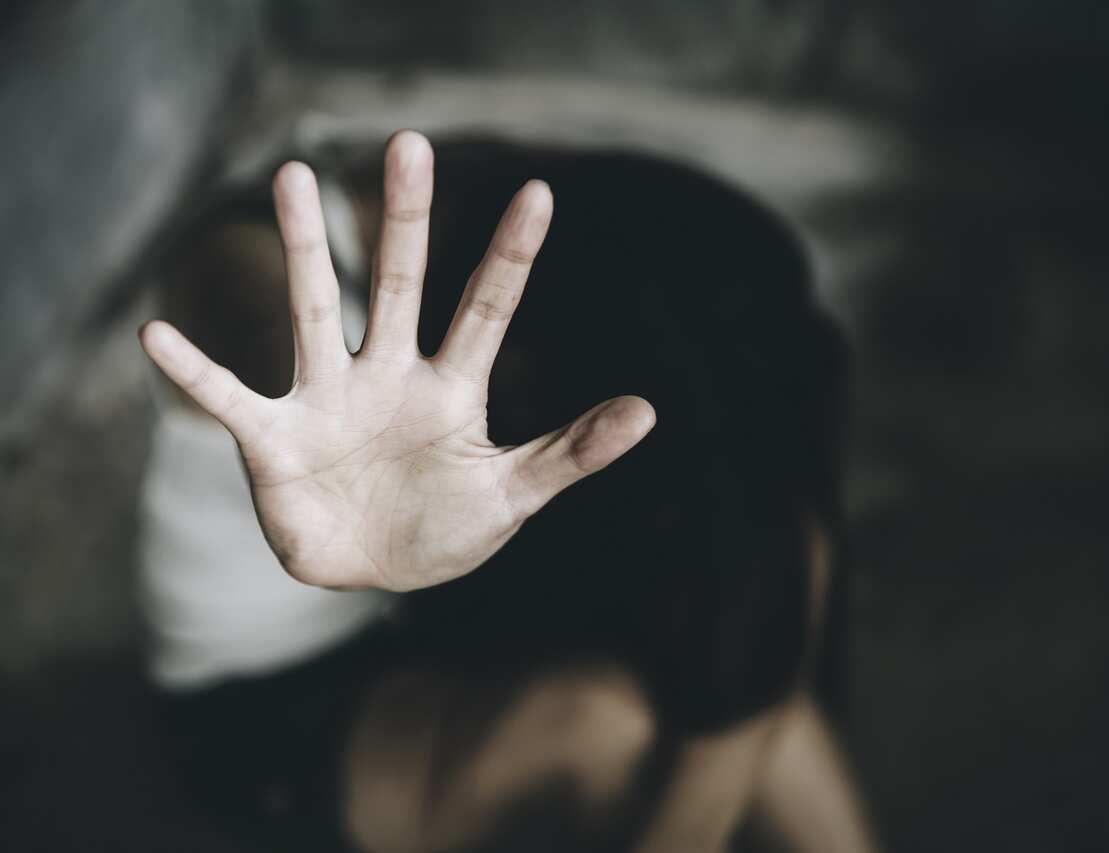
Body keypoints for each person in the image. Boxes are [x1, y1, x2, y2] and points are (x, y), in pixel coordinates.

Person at [139, 130, 879, 852]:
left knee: (762, 578)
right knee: (606, 726)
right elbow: (259, 326)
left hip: (427, 615)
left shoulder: (532, 222)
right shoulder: (253, 270)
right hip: (275, 690)